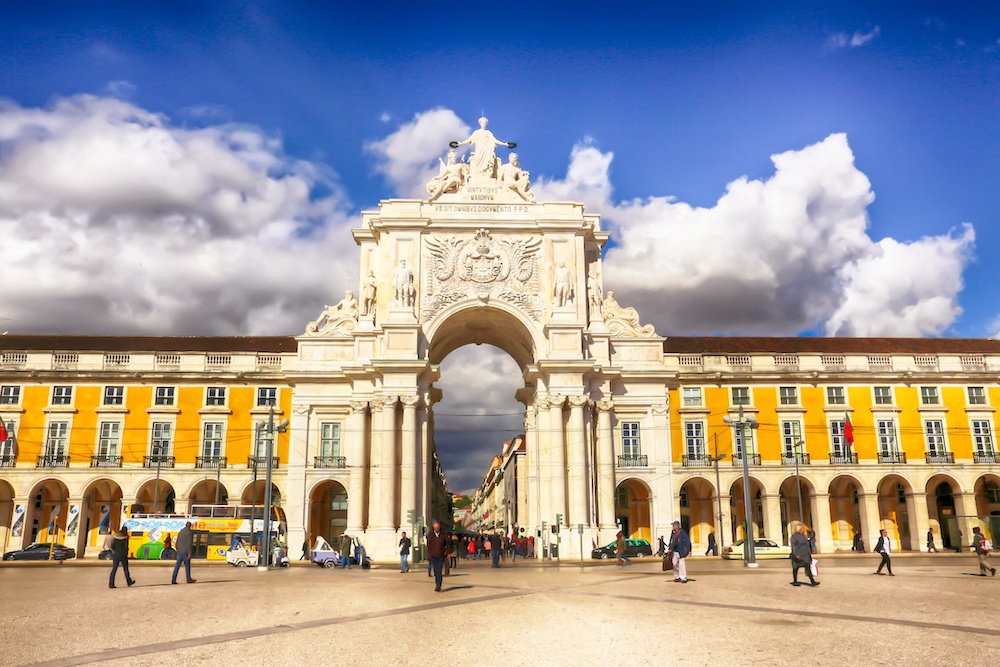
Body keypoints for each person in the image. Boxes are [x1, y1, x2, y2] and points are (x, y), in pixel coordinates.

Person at [426, 520, 449, 593]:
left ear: (439, 527)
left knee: (439, 570)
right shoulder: (430, 535)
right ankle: (437, 583)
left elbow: (448, 544)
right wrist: (428, 554)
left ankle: (438, 585)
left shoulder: (444, 534)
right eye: (435, 528)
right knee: (435, 571)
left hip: (440, 555)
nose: (436, 529)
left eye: (437, 528)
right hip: (433, 555)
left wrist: (448, 553)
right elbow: (428, 545)